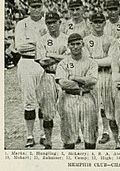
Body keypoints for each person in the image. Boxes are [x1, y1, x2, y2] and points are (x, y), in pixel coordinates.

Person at [55, 33, 99, 149]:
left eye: (78, 44)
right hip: (69, 98)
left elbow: (93, 81)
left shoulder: (91, 62)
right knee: (69, 134)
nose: (75, 47)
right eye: (72, 44)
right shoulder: (63, 63)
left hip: (87, 97)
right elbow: (63, 83)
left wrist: (74, 78)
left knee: (90, 133)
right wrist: (83, 83)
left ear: (83, 44)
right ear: (68, 45)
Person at [83, 12, 120, 147]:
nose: (98, 25)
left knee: (111, 111)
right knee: (92, 110)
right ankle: (96, 138)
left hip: (107, 76)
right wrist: (100, 61)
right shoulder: (86, 40)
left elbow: (112, 60)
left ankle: (118, 142)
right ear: (91, 24)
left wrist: (95, 61)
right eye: (95, 22)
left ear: (105, 23)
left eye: (100, 22)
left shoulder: (111, 40)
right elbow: (86, 61)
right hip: (92, 77)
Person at [15, 0, 47, 147]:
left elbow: (52, 44)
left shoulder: (48, 23)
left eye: (38, 6)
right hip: (26, 62)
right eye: (33, 6)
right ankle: (29, 135)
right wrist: (40, 43)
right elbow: (20, 47)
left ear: (42, 7)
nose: (36, 9)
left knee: (44, 101)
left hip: (44, 63)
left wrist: (34, 44)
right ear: (29, 8)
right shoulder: (22, 24)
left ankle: (42, 134)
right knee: (29, 101)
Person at [35, 11, 68, 149]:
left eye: (54, 22)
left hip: (64, 76)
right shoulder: (42, 40)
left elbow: (70, 58)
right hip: (48, 75)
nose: (52, 25)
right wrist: (60, 56)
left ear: (59, 22)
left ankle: (68, 140)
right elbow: (42, 62)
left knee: (67, 110)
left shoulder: (67, 38)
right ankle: (48, 141)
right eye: (49, 23)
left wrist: (51, 55)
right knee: (47, 112)